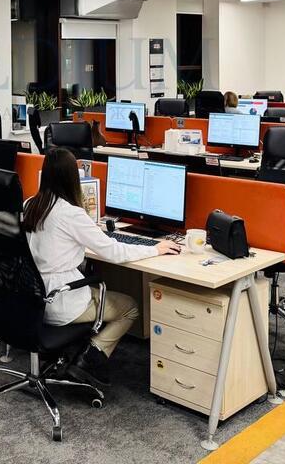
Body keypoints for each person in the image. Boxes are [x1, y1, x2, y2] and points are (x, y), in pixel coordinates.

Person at [23, 149, 181, 389]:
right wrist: (155, 249)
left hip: (32, 302)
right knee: (130, 307)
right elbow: (114, 252)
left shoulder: (30, 205)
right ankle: (89, 358)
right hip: (60, 302)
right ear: (72, 179)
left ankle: (76, 353)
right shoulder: (70, 214)